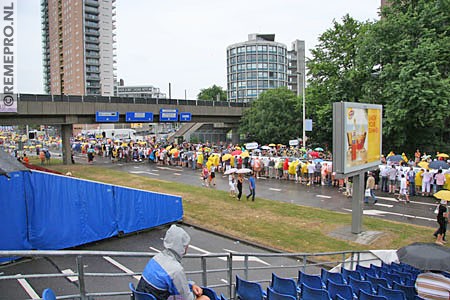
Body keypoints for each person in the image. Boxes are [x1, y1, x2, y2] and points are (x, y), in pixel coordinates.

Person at [137, 225, 210, 300]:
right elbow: (186, 298)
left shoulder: (156, 258)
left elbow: (175, 283)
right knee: (205, 298)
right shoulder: (175, 270)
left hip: (143, 296)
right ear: (182, 247)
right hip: (158, 296)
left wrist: (191, 285)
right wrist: (197, 295)